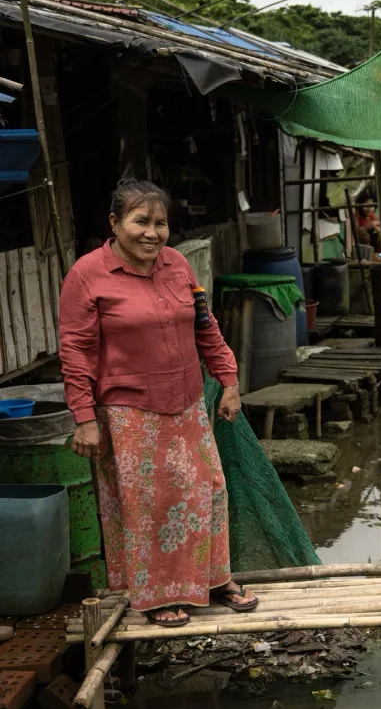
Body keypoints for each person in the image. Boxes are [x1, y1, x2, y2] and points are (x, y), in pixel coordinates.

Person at [59, 179, 258, 628]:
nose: (152, 233)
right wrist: (85, 419)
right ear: (115, 223)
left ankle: (213, 580)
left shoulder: (177, 265)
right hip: (129, 413)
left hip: (187, 403)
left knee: (208, 490)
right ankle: (155, 596)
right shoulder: (88, 275)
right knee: (150, 504)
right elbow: (75, 351)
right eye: (141, 221)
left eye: (161, 223)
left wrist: (228, 380)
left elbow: (205, 327)